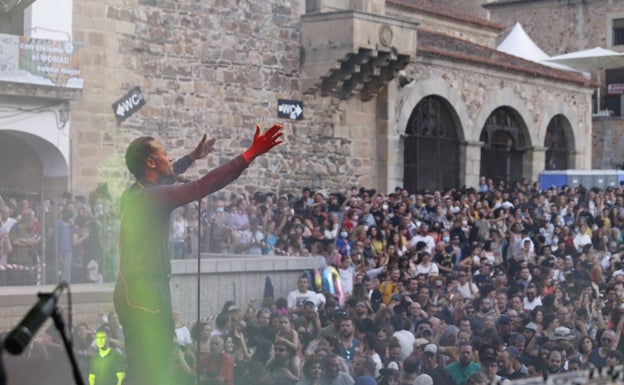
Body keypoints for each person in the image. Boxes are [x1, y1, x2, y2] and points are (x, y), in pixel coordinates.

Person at [114, 124, 283, 385]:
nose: (170, 158)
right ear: (150, 162)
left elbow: (169, 176)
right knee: (148, 368)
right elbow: (204, 185)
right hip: (144, 293)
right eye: (165, 153)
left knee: (146, 365)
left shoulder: (134, 193)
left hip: (139, 290)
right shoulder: (150, 198)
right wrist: (250, 154)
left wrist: (191, 158)